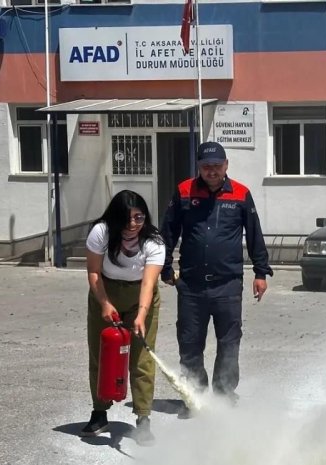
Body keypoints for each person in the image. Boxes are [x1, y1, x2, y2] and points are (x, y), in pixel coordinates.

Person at [161, 141, 273, 415]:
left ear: (226, 165)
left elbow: (254, 234)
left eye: (217, 166)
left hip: (228, 285)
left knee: (229, 343)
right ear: (199, 167)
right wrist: (164, 265)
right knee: (190, 343)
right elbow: (168, 231)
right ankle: (195, 397)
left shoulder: (241, 194)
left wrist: (260, 272)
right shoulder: (184, 191)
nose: (211, 171)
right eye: (206, 166)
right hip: (191, 286)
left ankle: (223, 395)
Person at [81, 190, 164, 446]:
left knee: (142, 359)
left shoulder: (154, 241)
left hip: (141, 296)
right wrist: (105, 304)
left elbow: (149, 283)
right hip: (105, 291)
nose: (133, 224)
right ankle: (99, 412)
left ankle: (143, 418)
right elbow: (94, 271)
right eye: (127, 219)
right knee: (101, 353)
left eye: (139, 218)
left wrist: (141, 314)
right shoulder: (101, 232)